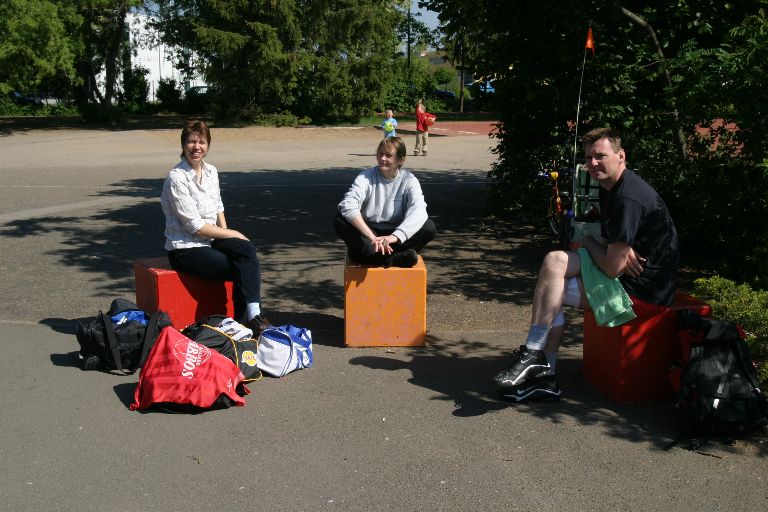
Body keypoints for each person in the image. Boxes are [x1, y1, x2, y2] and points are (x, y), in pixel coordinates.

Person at [493, 127, 679, 401]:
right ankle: (536, 358)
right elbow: (613, 242)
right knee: (553, 262)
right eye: (589, 157)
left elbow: (612, 267)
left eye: (600, 156)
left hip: (642, 294)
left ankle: (543, 372)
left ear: (621, 156)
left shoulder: (628, 197)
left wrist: (591, 242)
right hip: (625, 278)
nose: (592, 163)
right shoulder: (611, 186)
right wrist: (613, 246)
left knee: (551, 290)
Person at [160, 120, 270, 334]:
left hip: (210, 240)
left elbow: (218, 205)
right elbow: (195, 227)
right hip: (185, 248)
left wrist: (230, 240)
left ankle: (253, 315)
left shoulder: (211, 171)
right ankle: (244, 323)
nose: (196, 147)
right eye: (191, 142)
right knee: (239, 267)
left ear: (208, 146)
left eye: (202, 142)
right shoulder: (177, 178)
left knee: (246, 249)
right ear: (183, 145)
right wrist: (233, 233)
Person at [334, 136, 436, 268]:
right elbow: (348, 204)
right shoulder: (366, 176)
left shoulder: (409, 180)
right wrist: (371, 236)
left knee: (428, 227)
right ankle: (394, 258)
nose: (383, 158)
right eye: (380, 154)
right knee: (340, 220)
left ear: (400, 160)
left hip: (395, 235)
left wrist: (396, 236)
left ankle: (366, 256)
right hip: (369, 233)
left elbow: (419, 210)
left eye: (388, 155)